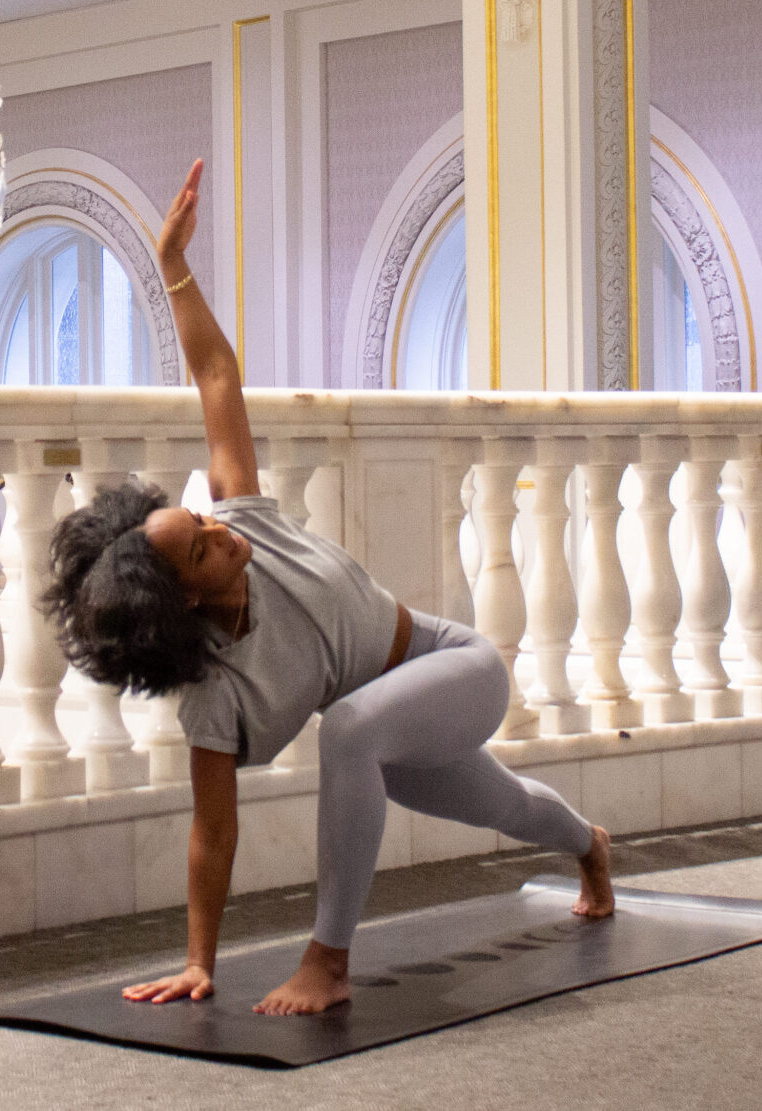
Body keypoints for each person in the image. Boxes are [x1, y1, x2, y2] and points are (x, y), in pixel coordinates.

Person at [42, 160, 616, 1017]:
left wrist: (173, 267)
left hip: (454, 663)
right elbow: (211, 832)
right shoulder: (213, 697)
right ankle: (593, 849)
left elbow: (216, 379)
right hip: (390, 731)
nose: (222, 531)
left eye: (203, 522)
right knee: (509, 805)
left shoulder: (252, 521)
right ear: (186, 602)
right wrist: (200, 961)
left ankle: (328, 960)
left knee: (347, 728)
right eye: (204, 548)